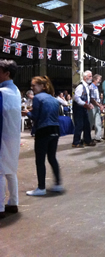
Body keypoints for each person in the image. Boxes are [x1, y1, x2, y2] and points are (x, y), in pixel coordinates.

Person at [23, 76, 63, 195]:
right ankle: (58, 184)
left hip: (43, 130)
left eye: (34, 85)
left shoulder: (37, 98)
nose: (32, 87)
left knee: (40, 160)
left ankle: (41, 188)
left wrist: (28, 113)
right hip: (55, 129)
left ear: (42, 86)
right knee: (52, 158)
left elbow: (36, 117)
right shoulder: (54, 99)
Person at [0, 60, 21, 217]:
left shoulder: (2, 93)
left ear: (6, 73)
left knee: (0, 172)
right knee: (11, 171)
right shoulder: (16, 91)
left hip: (3, 136)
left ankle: (0, 207)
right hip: (14, 136)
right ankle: (13, 202)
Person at [72, 70, 96, 148]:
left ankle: (87, 140)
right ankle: (76, 142)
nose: (91, 78)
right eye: (90, 76)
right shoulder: (80, 86)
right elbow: (76, 98)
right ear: (85, 77)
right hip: (79, 108)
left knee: (86, 125)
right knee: (79, 125)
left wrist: (89, 104)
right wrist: (85, 104)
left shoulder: (86, 86)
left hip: (84, 108)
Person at [89, 74, 105, 142]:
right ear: (95, 79)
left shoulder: (96, 87)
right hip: (92, 106)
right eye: (99, 79)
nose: (100, 81)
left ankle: (98, 137)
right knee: (91, 122)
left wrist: (100, 105)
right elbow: (92, 99)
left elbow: (97, 99)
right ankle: (87, 137)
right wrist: (99, 105)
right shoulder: (91, 87)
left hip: (97, 106)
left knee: (98, 122)